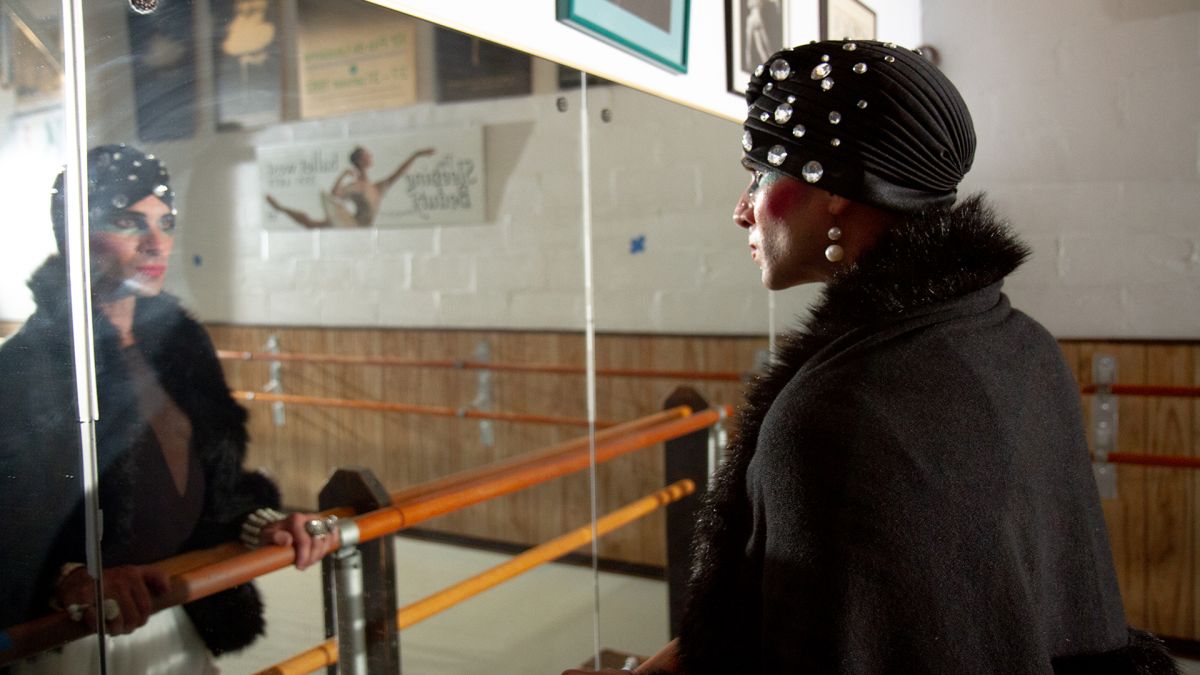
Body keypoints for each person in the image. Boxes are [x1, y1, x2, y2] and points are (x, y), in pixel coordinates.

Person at [566, 41, 1178, 674]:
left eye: (759, 173)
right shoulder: (1023, 347)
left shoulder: (836, 418)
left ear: (833, 190)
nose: (741, 209)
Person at [0, 145, 338, 673]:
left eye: (166, 222)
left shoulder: (182, 347)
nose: (156, 243)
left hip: (177, 618)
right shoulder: (27, 366)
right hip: (69, 638)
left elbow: (209, 490)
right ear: (73, 238)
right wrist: (68, 578)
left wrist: (261, 524)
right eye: (128, 222)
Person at [266, 145, 434, 228]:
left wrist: (416, 155)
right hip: (352, 225)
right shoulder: (357, 186)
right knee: (312, 225)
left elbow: (398, 172)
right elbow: (335, 193)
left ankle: (281, 208)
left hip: (361, 226)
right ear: (361, 161)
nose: (371, 156)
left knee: (312, 225)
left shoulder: (375, 187)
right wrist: (343, 175)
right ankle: (280, 208)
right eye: (367, 155)